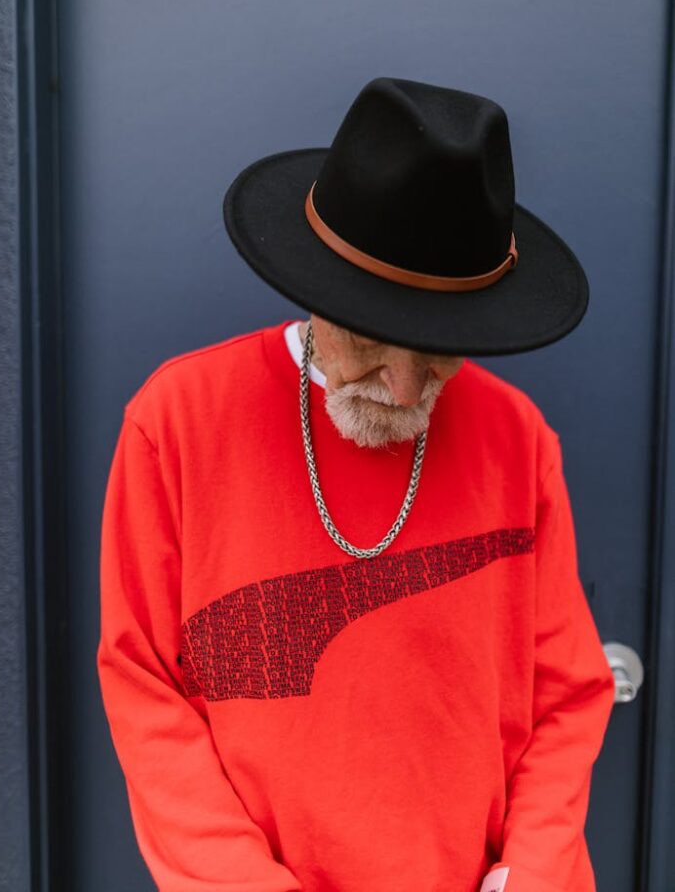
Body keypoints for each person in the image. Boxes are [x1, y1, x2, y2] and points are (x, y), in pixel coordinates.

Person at [97, 77, 616, 892]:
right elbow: (143, 683)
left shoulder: (519, 437)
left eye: (440, 348)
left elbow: (569, 690)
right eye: (377, 339)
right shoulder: (177, 419)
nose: (406, 390)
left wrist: (533, 872)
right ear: (316, 293)